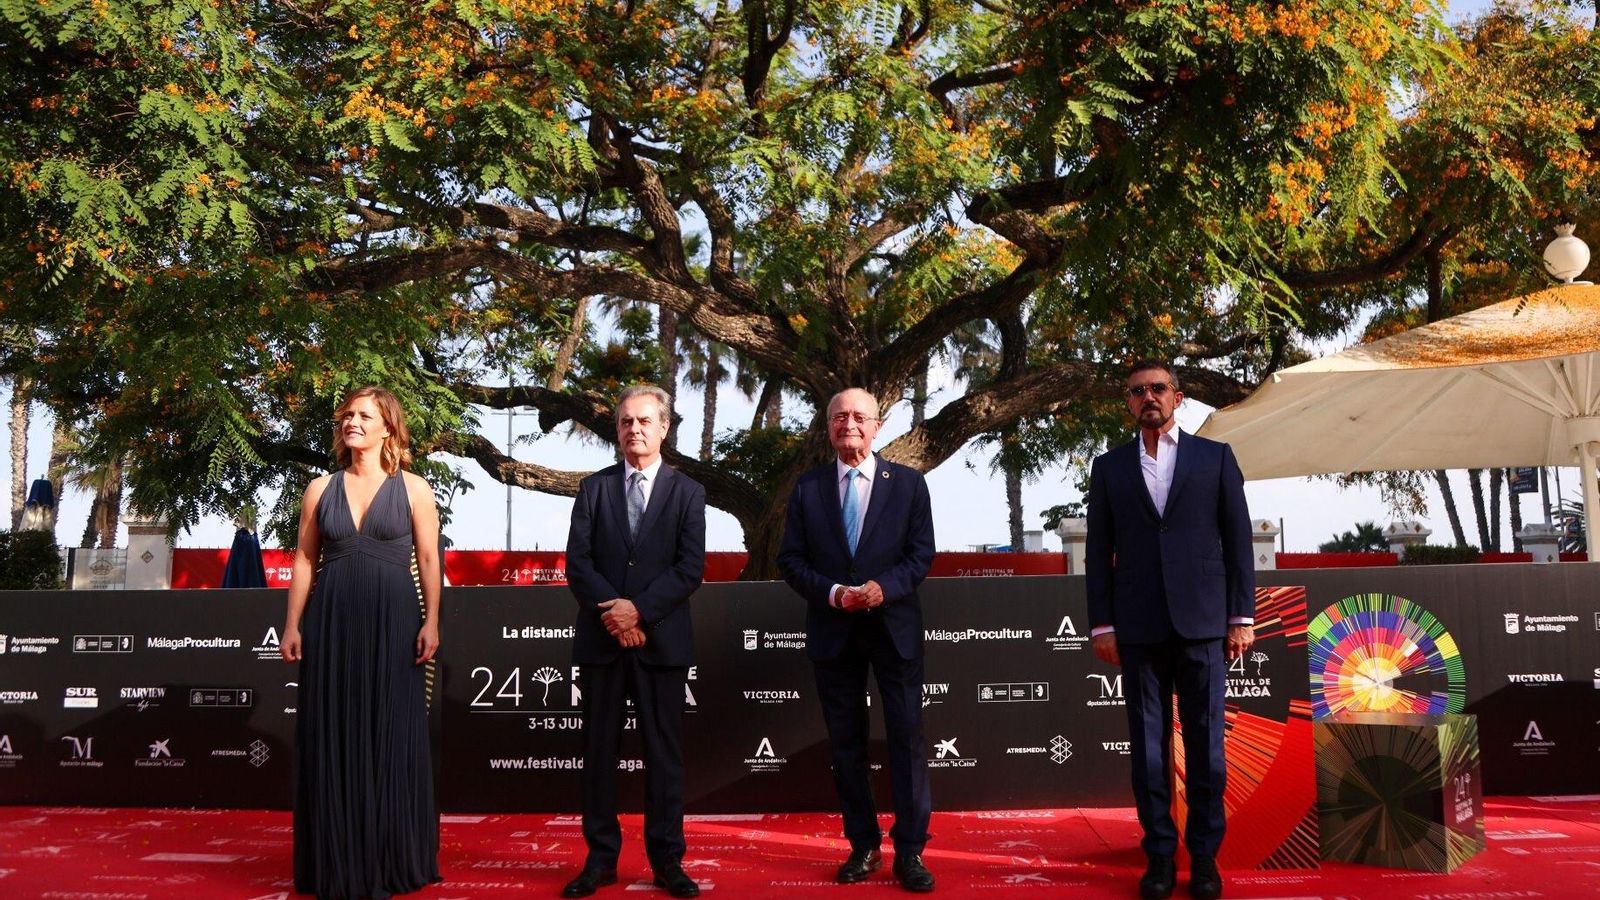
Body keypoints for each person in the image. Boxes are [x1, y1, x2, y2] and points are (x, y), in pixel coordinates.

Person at [1085, 360, 1256, 900]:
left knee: (1207, 750)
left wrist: (1241, 617)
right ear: (1129, 404)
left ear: (1177, 397)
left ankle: (1204, 858)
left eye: (1158, 388)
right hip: (1137, 627)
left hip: (1204, 625)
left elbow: (1238, 541)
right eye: (1137, 392)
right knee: (1148, 750)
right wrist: (1103, 624)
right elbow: (1096, 555)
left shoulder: (1216, 458)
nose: (1148, 397)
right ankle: (1159, 855)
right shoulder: (1109, 468)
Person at [281, 386, 443, 899]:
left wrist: (432, 620)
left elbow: (431, 560)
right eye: (348, 414)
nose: (352, 421)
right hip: (330, 622)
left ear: (387, 428)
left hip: (394, 620)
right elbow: (305, 559)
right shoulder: (317, 489)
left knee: (389, 734)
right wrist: (292, 624)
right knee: (335, 731)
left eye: (364, 415)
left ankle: (391, 858)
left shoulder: (415, 488)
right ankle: (337, 859)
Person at [777, 388, 936, 894]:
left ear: (877, 425)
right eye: (840, 416)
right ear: (828, 428)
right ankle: (862, 845)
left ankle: (910, 852)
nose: (850, 423)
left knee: (906, 742)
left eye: (859, 416)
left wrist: (882, 589)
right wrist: (834, 592)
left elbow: (921, 555)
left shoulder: (909, 485)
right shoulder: (807, 488)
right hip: (834, 630)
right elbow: (791, 561)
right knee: (845, 746)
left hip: (894, 630)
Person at [561, 385, 707, 900]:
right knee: (599, 754)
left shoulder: (688, 492)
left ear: (664, 428)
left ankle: (667, 860)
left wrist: (638, 610)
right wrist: (617, 616)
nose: (634, 430)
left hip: (661, 643)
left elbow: (690, 568)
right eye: (625, 422)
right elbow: (578, 564)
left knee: (663, 756)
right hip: (603, 644)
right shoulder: (593, 489)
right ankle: (601, 860)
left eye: (645, 421)